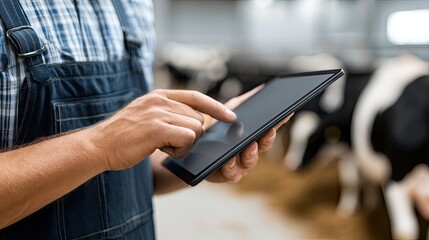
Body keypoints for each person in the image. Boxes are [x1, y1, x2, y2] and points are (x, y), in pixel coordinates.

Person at [0, 0, 290, 239]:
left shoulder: (135, 6)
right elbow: (112, 146)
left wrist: (200, 155)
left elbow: (131, 173)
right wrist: (103, 145)